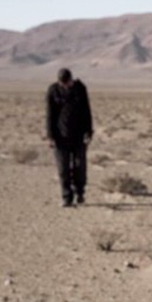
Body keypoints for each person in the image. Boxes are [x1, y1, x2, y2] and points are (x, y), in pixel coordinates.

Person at [45, 67, 93, 207]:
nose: (66, 85)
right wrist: (50, 136)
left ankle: (80, 193)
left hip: (79, 136)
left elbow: (86, 111)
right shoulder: (53, 91)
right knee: (63, 168)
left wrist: (88, 132)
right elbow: (50, 115)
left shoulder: (80, 89)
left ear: (71, 80)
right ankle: (66, 197)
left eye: (68, 83)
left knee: (80, 166)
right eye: (63, 83)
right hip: (60, 137)